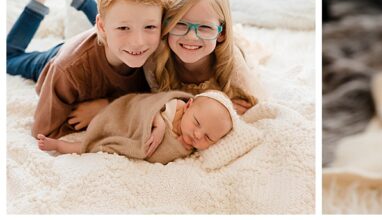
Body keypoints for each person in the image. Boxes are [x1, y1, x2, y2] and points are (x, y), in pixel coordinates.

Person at [6, 0, 167, 138]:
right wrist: (104, 117)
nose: (138, 42)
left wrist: (108, 105)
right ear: (102, 28)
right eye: (124, 29)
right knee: (8, 57)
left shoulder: (160, 51)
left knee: (120, 16)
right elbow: (43, 132)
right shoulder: (67, 70)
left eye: (150, 26)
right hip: (55, 57)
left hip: (104, 40)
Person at [146, 0, 262, 115]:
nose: (191, 36)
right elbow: (156, 106)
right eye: (180, 24)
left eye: (205, 28)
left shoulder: (232, 62)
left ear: (222, 33)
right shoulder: (155, 59)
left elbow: (255, 103)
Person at [36, 90, 234, 164]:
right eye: (197, 123)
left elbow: (156, 154)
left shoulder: (189, 146)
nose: (197, 135)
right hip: (129, 119)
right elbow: (148, 105)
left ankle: (62, 147)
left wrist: (179, 147)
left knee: (101, 147)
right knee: (111, 121)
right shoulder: (176, 105)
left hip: (131, 140)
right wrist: (158, 126)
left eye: (208, 138)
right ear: (189, 105)